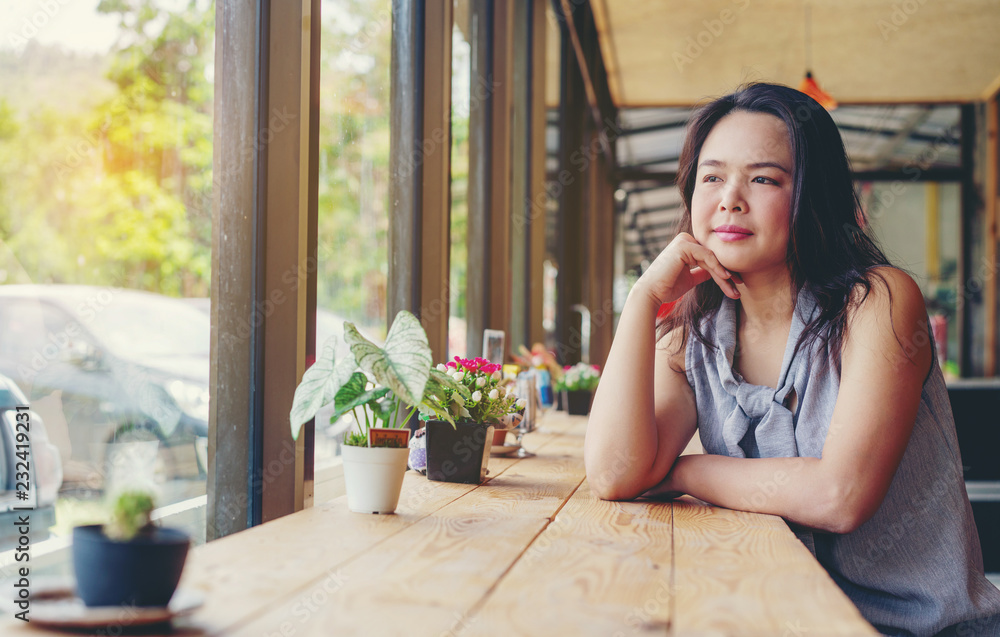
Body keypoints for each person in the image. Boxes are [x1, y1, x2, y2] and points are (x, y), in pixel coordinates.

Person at [584, 82, 1000, 636]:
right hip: (784, 617)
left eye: (763, 178)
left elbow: (840, 496)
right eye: (712, 177)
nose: (730, 198)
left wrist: (686, 470)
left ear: (812, 195)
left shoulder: (878, 301)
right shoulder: (696, 334)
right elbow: (615, 474)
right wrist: (642, 301)